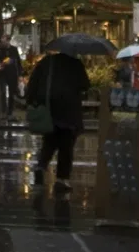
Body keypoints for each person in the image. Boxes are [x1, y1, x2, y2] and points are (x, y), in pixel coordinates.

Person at [26, 50, 91, 194]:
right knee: (66, 146)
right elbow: (85, 85)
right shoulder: (75, 64)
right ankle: (62, 179)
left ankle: (41, 166)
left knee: (49, 141)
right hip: (69, 110)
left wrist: (31, 101)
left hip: (50, 109)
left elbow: (33, 84)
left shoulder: (45, 63)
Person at [0, 36, 23, 117]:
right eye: (1, 41)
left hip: (12, 74)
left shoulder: (14, 49)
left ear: (8, 41)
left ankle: (10, 110)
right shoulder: (0, 50)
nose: (2, 43)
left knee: (11, 92)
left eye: (3, 41)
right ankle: (4, 109)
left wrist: (20, 74)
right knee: (2, 92)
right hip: (3, 73)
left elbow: (17, 60)